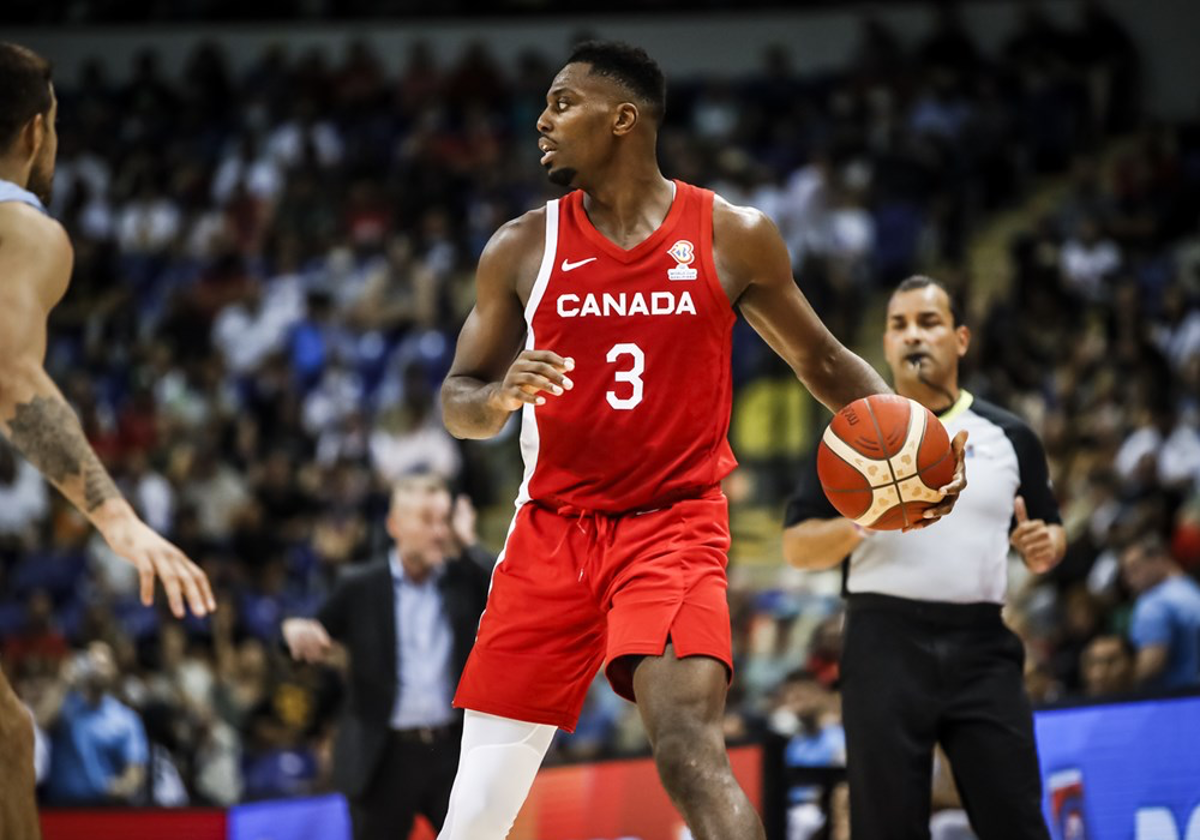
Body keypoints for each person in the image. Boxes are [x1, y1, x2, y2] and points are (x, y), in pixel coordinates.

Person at [436, 42, 966, 840]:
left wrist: (921, 440)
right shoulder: (521, 246)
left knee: (687, 748)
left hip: (673, 530)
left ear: (623, 119)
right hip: (548, 532)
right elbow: (456, 397)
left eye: (561, 103)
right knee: (475, 810)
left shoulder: (731, 235)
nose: (541, 122)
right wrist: (499, 399)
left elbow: (821, 360)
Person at [0, 41, 214, 839]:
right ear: (35, 132)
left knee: (10, 738)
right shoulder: (23, 228)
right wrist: (116, 519)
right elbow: (12, 377)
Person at [783, 275, 1065, 840]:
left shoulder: (1010, 436)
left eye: (929, 322)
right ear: (885, 346)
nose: (913, 335)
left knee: (1017, 820)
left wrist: (1046, 546)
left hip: (983, 645)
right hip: (882, 639)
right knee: (885, 826)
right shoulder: (846, 437)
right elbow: (797, 547)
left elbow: (1051, 533)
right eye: (899, 325)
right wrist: (869, 517)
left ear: (960, 340)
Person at [282, 474, 491, 840]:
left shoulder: (464, 578)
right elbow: (307, 637)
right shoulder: (360, 584)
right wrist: (292, 633)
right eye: (428, 520)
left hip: (451, 751)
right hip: (383, 756)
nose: (439, 532)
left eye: (444, 520)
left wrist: (469, 542)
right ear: (395, 525)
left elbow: (509, 593)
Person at [40, 642, 149, 805]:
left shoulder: (126, 719)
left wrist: (123, 786)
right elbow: (40, 723)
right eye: (93, 663)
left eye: (104, 664)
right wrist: (62, 682)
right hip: (60, 808)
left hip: (102, 809)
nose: (97, 670)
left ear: (114, 671)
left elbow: (135, 770)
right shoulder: (64, 707)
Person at [1119, 533, 1200, 690]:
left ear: (1159, 559)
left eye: (1134, 568)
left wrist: (1123, 689)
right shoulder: (1192, 590)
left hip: (1173, 700)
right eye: (1125, 571)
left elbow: (1151, 665)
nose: (1128, 579)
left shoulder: (1153, 603)